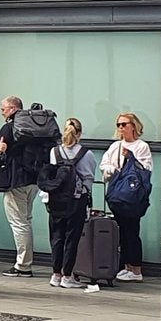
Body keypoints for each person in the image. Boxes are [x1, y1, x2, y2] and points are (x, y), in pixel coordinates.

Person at [0, 94, 49, 278]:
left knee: (19, 223)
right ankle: (25, 262)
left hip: (15, 180)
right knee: (26, 220)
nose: (1, 113)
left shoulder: (10, 127)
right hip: (33, 180)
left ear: (12, 109)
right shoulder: (34, 127)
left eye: (3, 109)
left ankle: (23, 265)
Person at [41, 118, 95, 289]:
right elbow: (88, 178)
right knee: (72, 238)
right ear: (79, 134)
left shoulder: (55, 152)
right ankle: (67, 275)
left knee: (57, 237)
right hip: (76, 200)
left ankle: (55, 274)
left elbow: (51, 174)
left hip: (56, 200)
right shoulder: (86, 154)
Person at [100, 113, 153, 282]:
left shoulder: (141, 146)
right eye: (118, 125)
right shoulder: (115, 146)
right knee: (121, 231)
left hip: (133, 195)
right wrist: (114, 170)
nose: (121, 128)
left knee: (132, 230)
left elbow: (145, 169)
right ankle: (126, 266)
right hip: (118, 194)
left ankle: (136, 268)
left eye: (124, 124)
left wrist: (130, 157)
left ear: (133, 125)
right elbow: (104, 165)